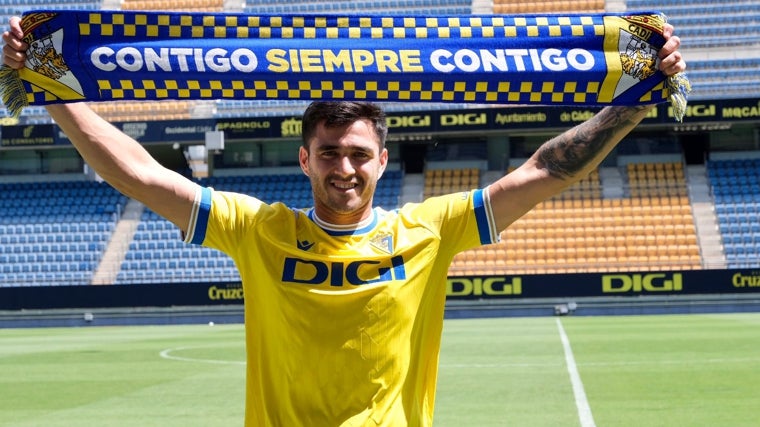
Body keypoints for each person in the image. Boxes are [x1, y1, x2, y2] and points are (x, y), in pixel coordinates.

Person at [2, 16, 685, 426]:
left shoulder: (428, 229)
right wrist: (56, 91)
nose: (344, 168)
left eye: (358, 154)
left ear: (383, 161)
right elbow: (139, 173)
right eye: (329, 153)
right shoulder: (256, 228)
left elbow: (545, 169)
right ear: (304, 158)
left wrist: (634, 100)